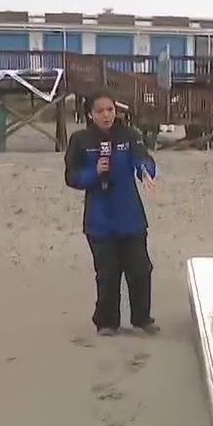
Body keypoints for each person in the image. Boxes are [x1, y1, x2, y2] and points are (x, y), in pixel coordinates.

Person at [64, 91, 159, 337]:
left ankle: (142, 317)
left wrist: (145, 171)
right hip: (100, 219)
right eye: (100, 111)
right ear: (90, 114)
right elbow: (72, 176)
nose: (106, 115)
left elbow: (143, 159)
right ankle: (106, 321)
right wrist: (94, 173)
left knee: (140, 269)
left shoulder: (130, 135)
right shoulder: (81, 140)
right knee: (107, 273)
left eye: (110, 110)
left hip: (130, 216)